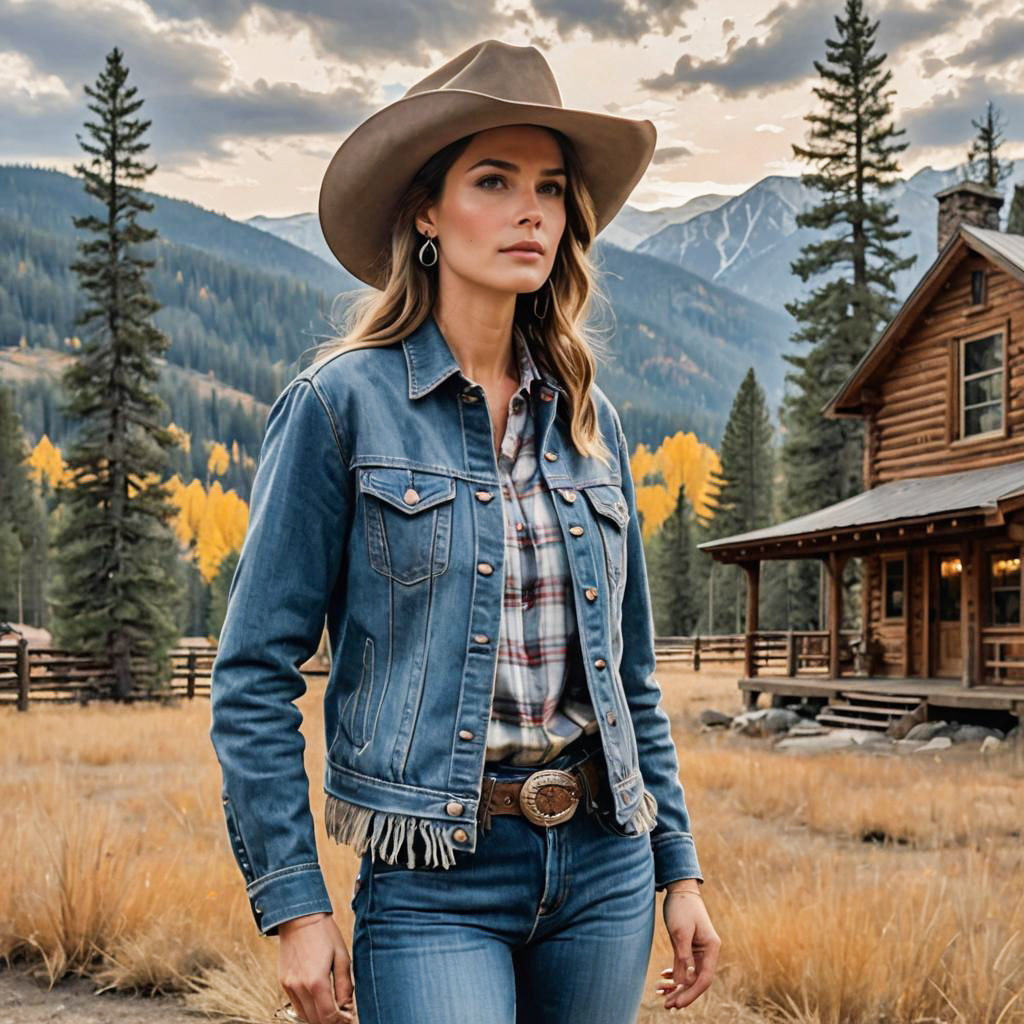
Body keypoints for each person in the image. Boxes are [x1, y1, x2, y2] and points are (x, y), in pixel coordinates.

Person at [209, 37, 720, 1024]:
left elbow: (631, 677)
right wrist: (294, 904)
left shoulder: (589, 421)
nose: (532, 209)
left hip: (606, 869)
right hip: (435, 875)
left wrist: (678, 870)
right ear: (426, 211)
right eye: (494, 180)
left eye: (551, 186)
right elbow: (251, 676)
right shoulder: (338, 407)